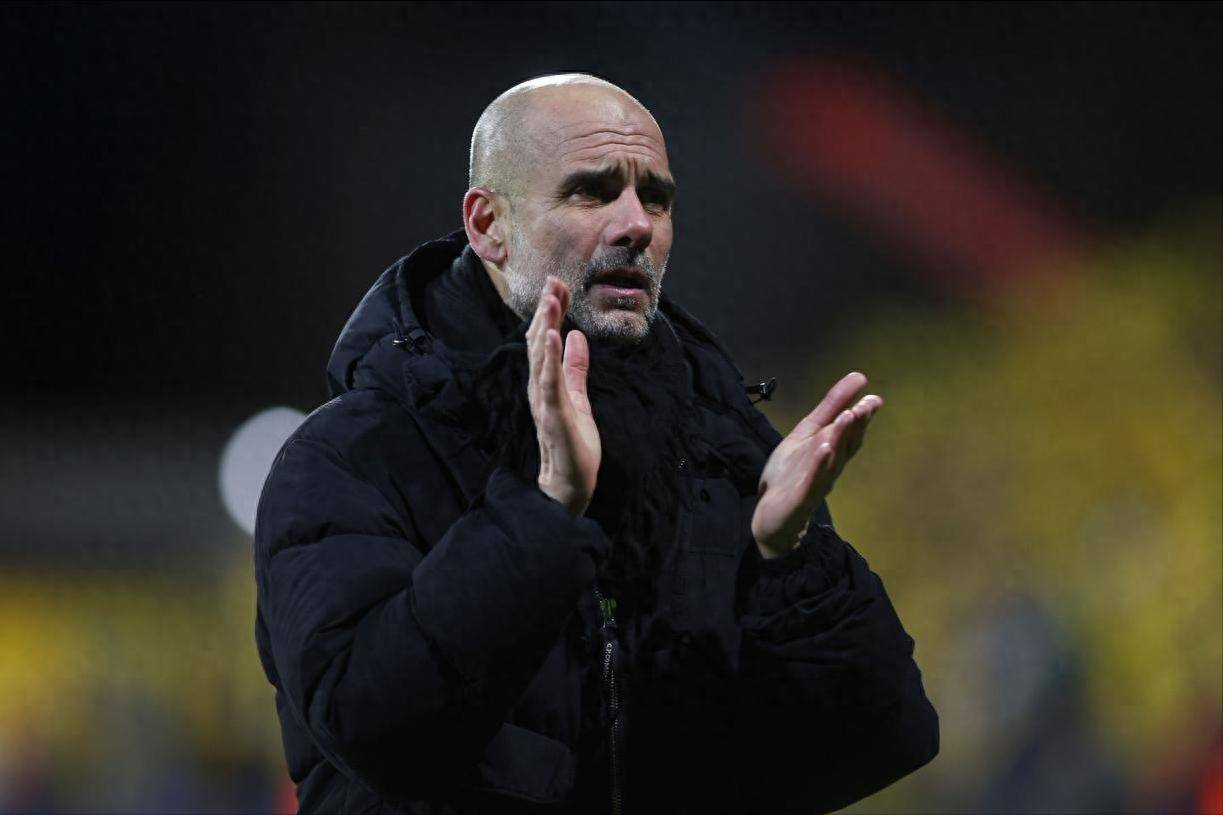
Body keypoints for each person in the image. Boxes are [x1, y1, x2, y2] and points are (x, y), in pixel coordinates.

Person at [254, 73, 938, 815]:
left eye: (656, 198)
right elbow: (376, 733)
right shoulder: (351, 457)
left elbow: (879, 742)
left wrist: (791, 558)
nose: (636, 224)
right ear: (488, 225)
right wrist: (542, 514)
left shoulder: (721, 451)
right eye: (592, 192)